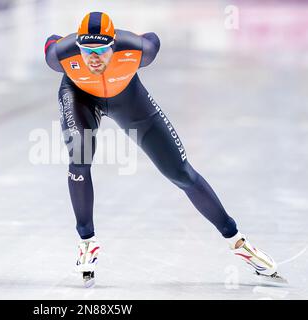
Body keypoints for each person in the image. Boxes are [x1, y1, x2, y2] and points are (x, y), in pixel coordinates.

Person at [44, 12, 285, 287]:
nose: (94, 59)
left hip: (128, 99)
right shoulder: (61, 55)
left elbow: (153, 39)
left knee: (180, 172)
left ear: (114, 46)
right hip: (79, 96)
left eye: (101, 50)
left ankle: (237, 241)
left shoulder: (138, 50)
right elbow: (50, 42)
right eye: (87, 51)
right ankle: (87, 240)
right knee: (80, 157)